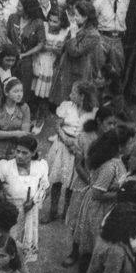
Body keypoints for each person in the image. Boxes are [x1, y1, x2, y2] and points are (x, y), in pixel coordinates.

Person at [68, 129, 130, 271]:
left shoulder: (116, 161)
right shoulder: (110, 167)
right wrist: (121, 195)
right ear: (120, 147)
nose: (131, 146)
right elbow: (97, 193)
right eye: (129, 143)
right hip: (99, 209)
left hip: (105, 206)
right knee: (94, 243)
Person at [0, 135, 50, 263]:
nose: (20, 156)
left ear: (33, 153)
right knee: (6, 246)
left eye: (24, 153)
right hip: (9, 214)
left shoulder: (40, 166)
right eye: (18, 151)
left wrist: (33, 202)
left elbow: (45, 187)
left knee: (24, 246)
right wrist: (3, 198)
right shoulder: (4, 167)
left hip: (29, 212)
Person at [45, 81, 98, 224]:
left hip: (78, 149)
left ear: (82, 96)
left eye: (73, 92)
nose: (70, 95)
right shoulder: (67, 106)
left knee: (70, 182)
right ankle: (52, 211)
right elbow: (57, 124)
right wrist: (64, 139)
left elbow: (91, 133)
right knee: (57, 180)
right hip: (62, 145)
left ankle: (65, 213)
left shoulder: (93, 112)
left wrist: (75, 144)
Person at [49, 1, 104, 107]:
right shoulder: (79, 26)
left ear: (86, 17)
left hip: (78, 69)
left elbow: (76, 52)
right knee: (62, 95)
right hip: (67, 66)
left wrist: (73, 34)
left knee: (73, 97)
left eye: (77, 15)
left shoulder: (93, 34)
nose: (74, 18)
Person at [7, 0, 46, 102]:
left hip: (26, 61)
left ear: (27, 8)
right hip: (11, 58)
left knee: (23, 87)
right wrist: (12, 50)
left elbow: (41, 44)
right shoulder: (12, 18)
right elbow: (6, 35)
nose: (16, 8)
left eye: (19, 6)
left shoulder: (38, 22)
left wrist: (25, 54)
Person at [0, 77, 32, 163]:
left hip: (13, 153)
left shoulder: (24, 108)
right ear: (6, 92)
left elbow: (25, 133)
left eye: (21, 91)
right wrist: (15, 133)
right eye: (15, 91)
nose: (19, 94)